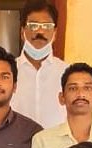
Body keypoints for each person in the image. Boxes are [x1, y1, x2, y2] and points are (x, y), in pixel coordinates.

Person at [10, 0, 68, 128]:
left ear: (55, 33)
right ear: (22, 32)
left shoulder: (67, 72)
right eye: (33, 25)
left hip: (56, 141)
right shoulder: (8, 71)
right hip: (16, 140)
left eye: (47, 26)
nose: (40, 32)